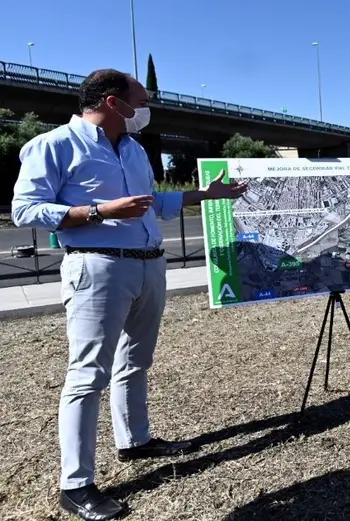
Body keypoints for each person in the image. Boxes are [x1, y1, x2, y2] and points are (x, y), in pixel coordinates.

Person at [10, 69, 248, 520]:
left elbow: (151, 202)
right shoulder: (54, 144)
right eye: (141, 100)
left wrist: (205, 195)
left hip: (148, 264)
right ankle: (75, 485)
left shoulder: (134, 149)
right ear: (112, 102)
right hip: (97, 266)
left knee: (136, 360)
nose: (147, 108)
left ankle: (135, 440)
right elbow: (25, 209)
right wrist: (98, 210)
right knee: (87, 374)